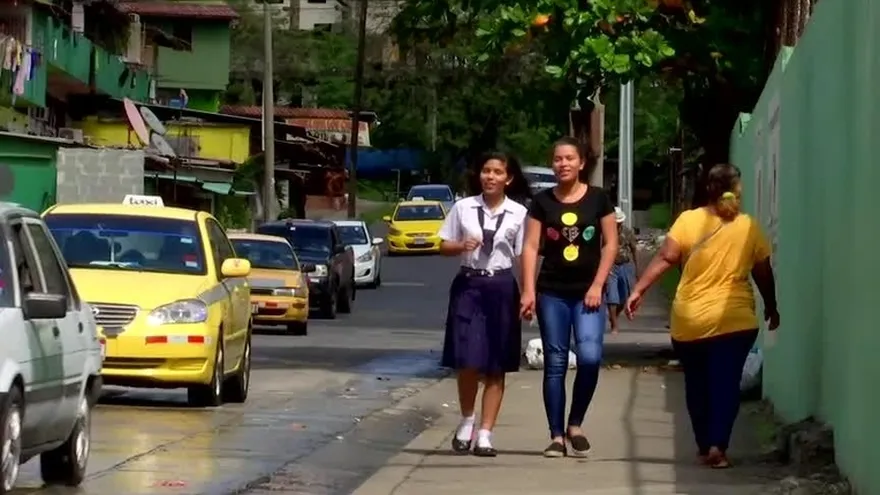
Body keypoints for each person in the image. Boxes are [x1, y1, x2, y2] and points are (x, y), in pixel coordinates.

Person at [625, 163, 780, 469]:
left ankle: (703, 444)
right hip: (735, 320)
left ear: (707, 188)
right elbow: (763, 272)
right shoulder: (748, 226)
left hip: (690, 321)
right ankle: (718, 445)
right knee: (726, 384)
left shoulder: (688, 221)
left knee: (697, 384)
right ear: (737, 190)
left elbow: (666, 257)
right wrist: (772, 307)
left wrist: (638, 290)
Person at [520, 137, 618, 458]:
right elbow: (530, 247)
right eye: (558, 159)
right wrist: (528, 290)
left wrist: (598, 285)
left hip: (589, 294)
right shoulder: (542, 202)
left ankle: (575, 423)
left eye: (569, 158)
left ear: (581, 163)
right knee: (556, 363)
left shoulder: (598, 199)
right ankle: (556, 435)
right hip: (552, 293)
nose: (563, 164)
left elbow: (610, 244)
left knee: (589, 357)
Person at [439, 152, 531, 457]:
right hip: (469, 284)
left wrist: (529, 293)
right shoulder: (463, 207)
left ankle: (485, 433)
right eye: (486, 171)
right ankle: (467, 420)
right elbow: (443, 245)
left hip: (501, 286)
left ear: (508, 178)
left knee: (496, 362)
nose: (490, 177)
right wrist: (459, 246)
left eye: (497, 172)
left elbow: (524, 255)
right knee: (467, 358)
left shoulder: (519, 213)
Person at [606, 207, 638, 334]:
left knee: (624, 296)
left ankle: (614, 316)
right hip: (611, 266)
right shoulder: (606, 232)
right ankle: (614, 325)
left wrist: (637, 269)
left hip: (625, 265)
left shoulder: (627, 232)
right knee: (612, 296)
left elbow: (634, 250)